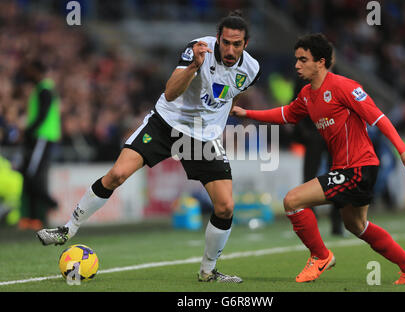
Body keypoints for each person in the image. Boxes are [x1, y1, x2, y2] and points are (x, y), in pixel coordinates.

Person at [37, 11, 261, 283]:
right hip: (166, 125)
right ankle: (68, 229)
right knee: (117, 174)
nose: (230, 49)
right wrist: (193, 68)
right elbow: (170, 92)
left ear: (246, 44)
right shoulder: (197, 50)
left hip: (204, 138)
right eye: (225, 42)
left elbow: (227, 92)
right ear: (217, 39)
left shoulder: (251, 69)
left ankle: (207, 272)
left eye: (236, 44)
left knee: (225, 207)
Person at [231, 33, 405, 285]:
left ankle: (320, 256)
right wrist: (246, 112)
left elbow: (378, 117)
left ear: (321, 62)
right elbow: (286, 114)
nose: (297, 65)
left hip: (358, 167)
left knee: (292, 200)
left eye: (303, 60)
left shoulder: (345, 87)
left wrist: (404, 150)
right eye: (296, 60)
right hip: (348, 168)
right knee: (357, 226)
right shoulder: (306, 95)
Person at [19, 60, 60, 230]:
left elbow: (42, 115)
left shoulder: (44, 90)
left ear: (36, 71)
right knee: (31, 175)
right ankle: (32, 217)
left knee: (33, 175)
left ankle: (47, 205)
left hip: (42, 137)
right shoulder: (42, 89)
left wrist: (29, 130)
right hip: (40, 137)